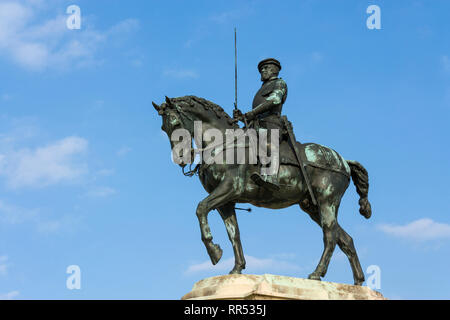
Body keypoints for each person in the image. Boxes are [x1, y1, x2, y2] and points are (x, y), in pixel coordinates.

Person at [234, 58, 288, 191]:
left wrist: (252, 112)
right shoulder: (262, 88)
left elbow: (275, 100)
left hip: (271, 123)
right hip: (256, 124)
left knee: (270, 142)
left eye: (266, 68)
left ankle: (271, 177)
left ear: (275, 69)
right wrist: (242, 117)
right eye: (261, 69)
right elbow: (253, 115)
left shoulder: (279, 83)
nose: (263, 71)